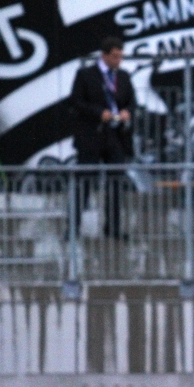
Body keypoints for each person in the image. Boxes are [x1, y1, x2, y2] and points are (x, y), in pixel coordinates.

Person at [69, 36, 136, 240]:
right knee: (84, 183)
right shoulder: (86, 74)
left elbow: (132, 101)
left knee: (115, 183)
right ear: (104, 55)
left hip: (115, 135)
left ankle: (113, 228)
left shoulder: (123, 76)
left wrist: (127, 112)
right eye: (115, 57)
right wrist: (99, 113)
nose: (118, 61)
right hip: (92, 135)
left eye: (121, 57)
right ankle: (73, 228)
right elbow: (76, 101)